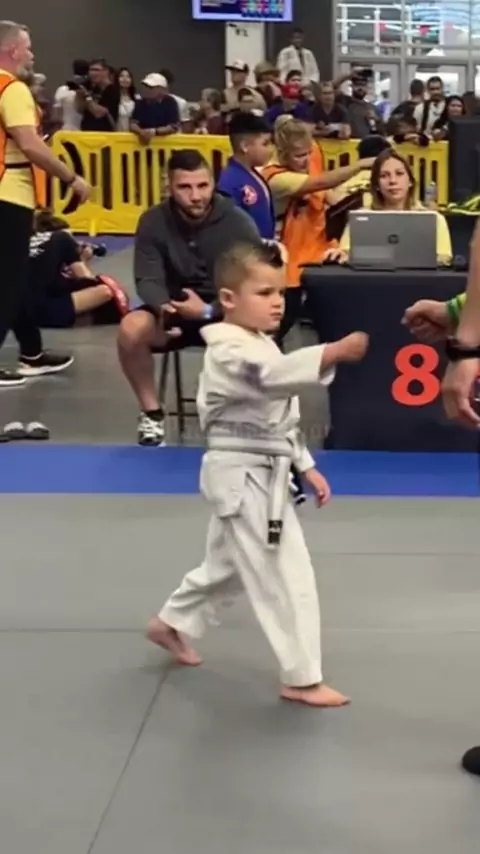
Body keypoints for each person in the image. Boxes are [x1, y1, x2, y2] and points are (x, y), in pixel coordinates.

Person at [146, 241, 369, 707]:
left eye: (280, 292)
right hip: (242, 477)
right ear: (228, 299)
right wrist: (332, 352)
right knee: (286, 574)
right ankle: (301, 677)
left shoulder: (259, 342)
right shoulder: (229, 350)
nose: (277, 302)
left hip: (260, 471)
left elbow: (276, 420)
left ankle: (171, 623)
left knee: (228, 566)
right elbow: (272, 378)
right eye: (264, 293)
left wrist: (306, 465)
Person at [117, 149, 265, 447]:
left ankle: (248, 414)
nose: (196, 196)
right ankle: (152, 414)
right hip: (173, 314)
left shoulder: (238, 223)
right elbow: (147, 279)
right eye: (185, 187)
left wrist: (210, 311)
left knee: (260, 323)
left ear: (213, 184)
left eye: (202, 186)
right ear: (169, 187)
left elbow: (254, 286)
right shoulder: (153, 221)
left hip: (227, 315)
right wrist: (165, 309)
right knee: (131, 329)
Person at [0, 20, 90, 389]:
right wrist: (71, 178)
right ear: (13, 50)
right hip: (8, 195)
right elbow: (29, 143)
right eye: (28, 47)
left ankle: (32, 352)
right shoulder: (12, 89)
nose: (32, 54)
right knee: (7, 283)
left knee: (14, 278)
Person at [262, 117, 375, 322]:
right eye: (299, 156)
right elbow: (319, 182)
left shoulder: (312, 149)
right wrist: (360, 166)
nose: (306, 160)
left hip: (323, 253)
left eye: (308, 153)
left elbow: (325, 192)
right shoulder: (275, 177)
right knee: (286, 321)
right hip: (291, 264)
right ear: (283, 153)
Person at [322, 149, 452, 265]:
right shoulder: (359, 219)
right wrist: (340, 255)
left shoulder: (435, 219)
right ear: (376, 185)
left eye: (399, 173)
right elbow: (345, 254)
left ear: (410, 181)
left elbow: (445, 260)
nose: (392, 181)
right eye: (384, 175)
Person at [217, 112, 274, 240]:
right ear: (245, 146)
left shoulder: (253, 174)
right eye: (265, 144)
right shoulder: (229, 182)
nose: (271, 149)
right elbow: (229, 228)